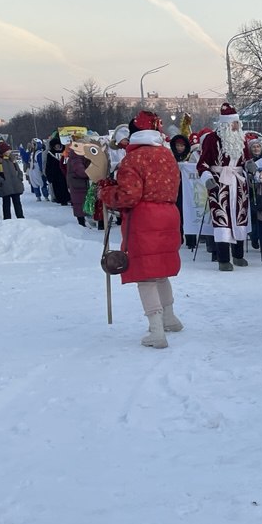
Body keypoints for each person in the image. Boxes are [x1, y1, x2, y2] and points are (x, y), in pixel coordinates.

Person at [96, 111, 183, 349]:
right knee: (161, 271)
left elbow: (129, 196)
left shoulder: (133, 160)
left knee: (145, 275)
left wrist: (106, 192)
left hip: (144, 219)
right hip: (169, 215)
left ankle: (156, 330)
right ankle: (170, 318)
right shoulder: (167, 155)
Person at [197, 103, 252, 271]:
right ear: (226, 124)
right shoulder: (212, 139)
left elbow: (246, 159)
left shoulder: (242, 139)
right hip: (219, 183)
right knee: (222, 219)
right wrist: (207, 178)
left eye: (237, 123)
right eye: (234, 123)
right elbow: (202, 164)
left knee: (240, 217)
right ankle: (223, 259)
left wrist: (250, 165)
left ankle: (238, 255)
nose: (237, 126)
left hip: (239, 183)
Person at [0, 142, 25, 219]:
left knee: (17, 202)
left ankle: (20, 218)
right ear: (3, 151)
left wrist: (20, 177)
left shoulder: (12, 158)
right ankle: (7, 219)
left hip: (15, 184)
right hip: (5, 185)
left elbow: (18, 169)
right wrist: (1, 180)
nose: (9, 152)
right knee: (6, 203)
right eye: (7, 150)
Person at [66, 140, 91, 227]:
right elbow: (80, 171)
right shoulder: (76, 156)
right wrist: (92, 173)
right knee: (79, 203)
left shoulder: (77, 155)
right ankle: (82, 224)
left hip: (78, 183)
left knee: (80, 203)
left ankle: (83, 223)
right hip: (78, 184)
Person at [44, 134, 70, 206]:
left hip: (64, 173)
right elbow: (48, 165)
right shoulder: (50, 153)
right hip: (55, 174)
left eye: (58, 145)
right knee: (58, 188)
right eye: (56, 145)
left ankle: (68, 198)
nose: (57, 146)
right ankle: (62, 200)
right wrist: (49, 175)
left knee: (66, 186)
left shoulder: (64, 152)